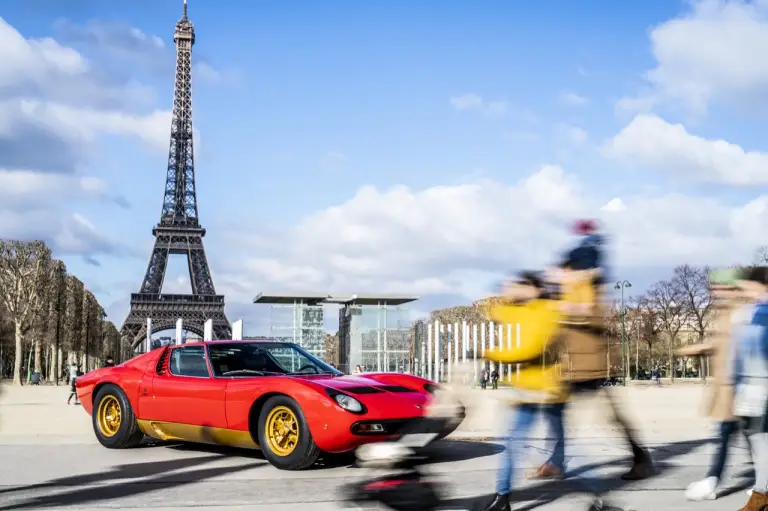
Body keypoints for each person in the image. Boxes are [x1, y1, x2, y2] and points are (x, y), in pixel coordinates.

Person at [679, 268, 754, 501]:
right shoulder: (726, 310)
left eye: (721, 287)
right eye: (714, 287)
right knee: (744, 436)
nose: (715, 291)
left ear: (733, 288)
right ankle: (715, 481)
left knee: (737, 436)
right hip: (728, 387)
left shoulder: (742, 311)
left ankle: (713, 481)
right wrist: (695, 349)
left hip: (738, 386)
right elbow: (718, 342)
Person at [731, 267, 768, 511]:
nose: (745, 290)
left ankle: (761, 495)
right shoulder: (753, 311)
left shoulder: (760, 314)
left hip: (760, 385)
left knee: (759, 440)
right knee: (758, 439)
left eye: (748, 285)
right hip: (754, 384)